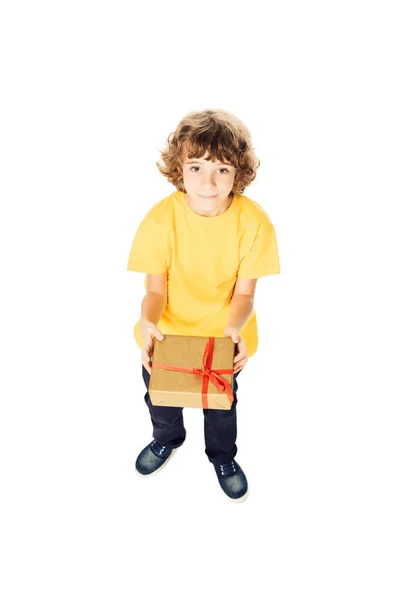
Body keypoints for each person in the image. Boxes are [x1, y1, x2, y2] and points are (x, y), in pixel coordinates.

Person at [126, 108, 280, 502]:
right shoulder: (160, 221)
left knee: (221, 407)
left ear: (239, 173)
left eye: (222, 170)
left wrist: (235, 330)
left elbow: (244, 295)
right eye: (196, 168)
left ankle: (222, 456)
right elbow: (155, 290)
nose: (208, 183)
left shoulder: (254, 222)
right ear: (179, 167)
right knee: (160, 398)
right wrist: (147, 322)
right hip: (167, 331)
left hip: (222, 332)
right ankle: (167, 439)